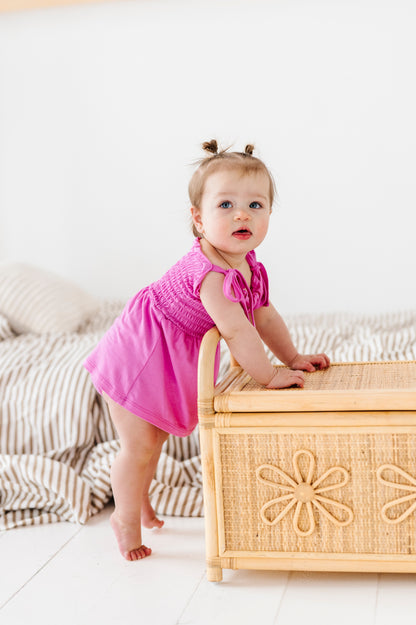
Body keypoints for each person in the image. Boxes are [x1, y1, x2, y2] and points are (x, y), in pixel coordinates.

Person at [84, 139, 330, 561]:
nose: (242, 214)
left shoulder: (249, 265)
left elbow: (264, 316)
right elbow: (237, 330)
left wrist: (291, 358)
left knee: (155, 438)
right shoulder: (211, 275)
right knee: (140, 443)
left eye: (256, 205)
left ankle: (138, 500)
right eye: (226, 205)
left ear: (270, 213)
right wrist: (268, 376)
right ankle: (124, 517)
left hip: (167, 351)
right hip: (140, 353)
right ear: (198, 218)